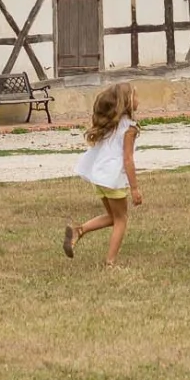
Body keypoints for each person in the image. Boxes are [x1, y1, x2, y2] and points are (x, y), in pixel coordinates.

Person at [64, 83, 144, 267]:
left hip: (98, 178)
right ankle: (110, 263)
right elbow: (128, 159)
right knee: (121, 219)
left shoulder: (110, 124)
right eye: (136, 96)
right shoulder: (129, 127)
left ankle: (79, 230)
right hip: (112, 178)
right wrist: (134, 188)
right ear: (128, 102)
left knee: (112, 216)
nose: (139, 100)